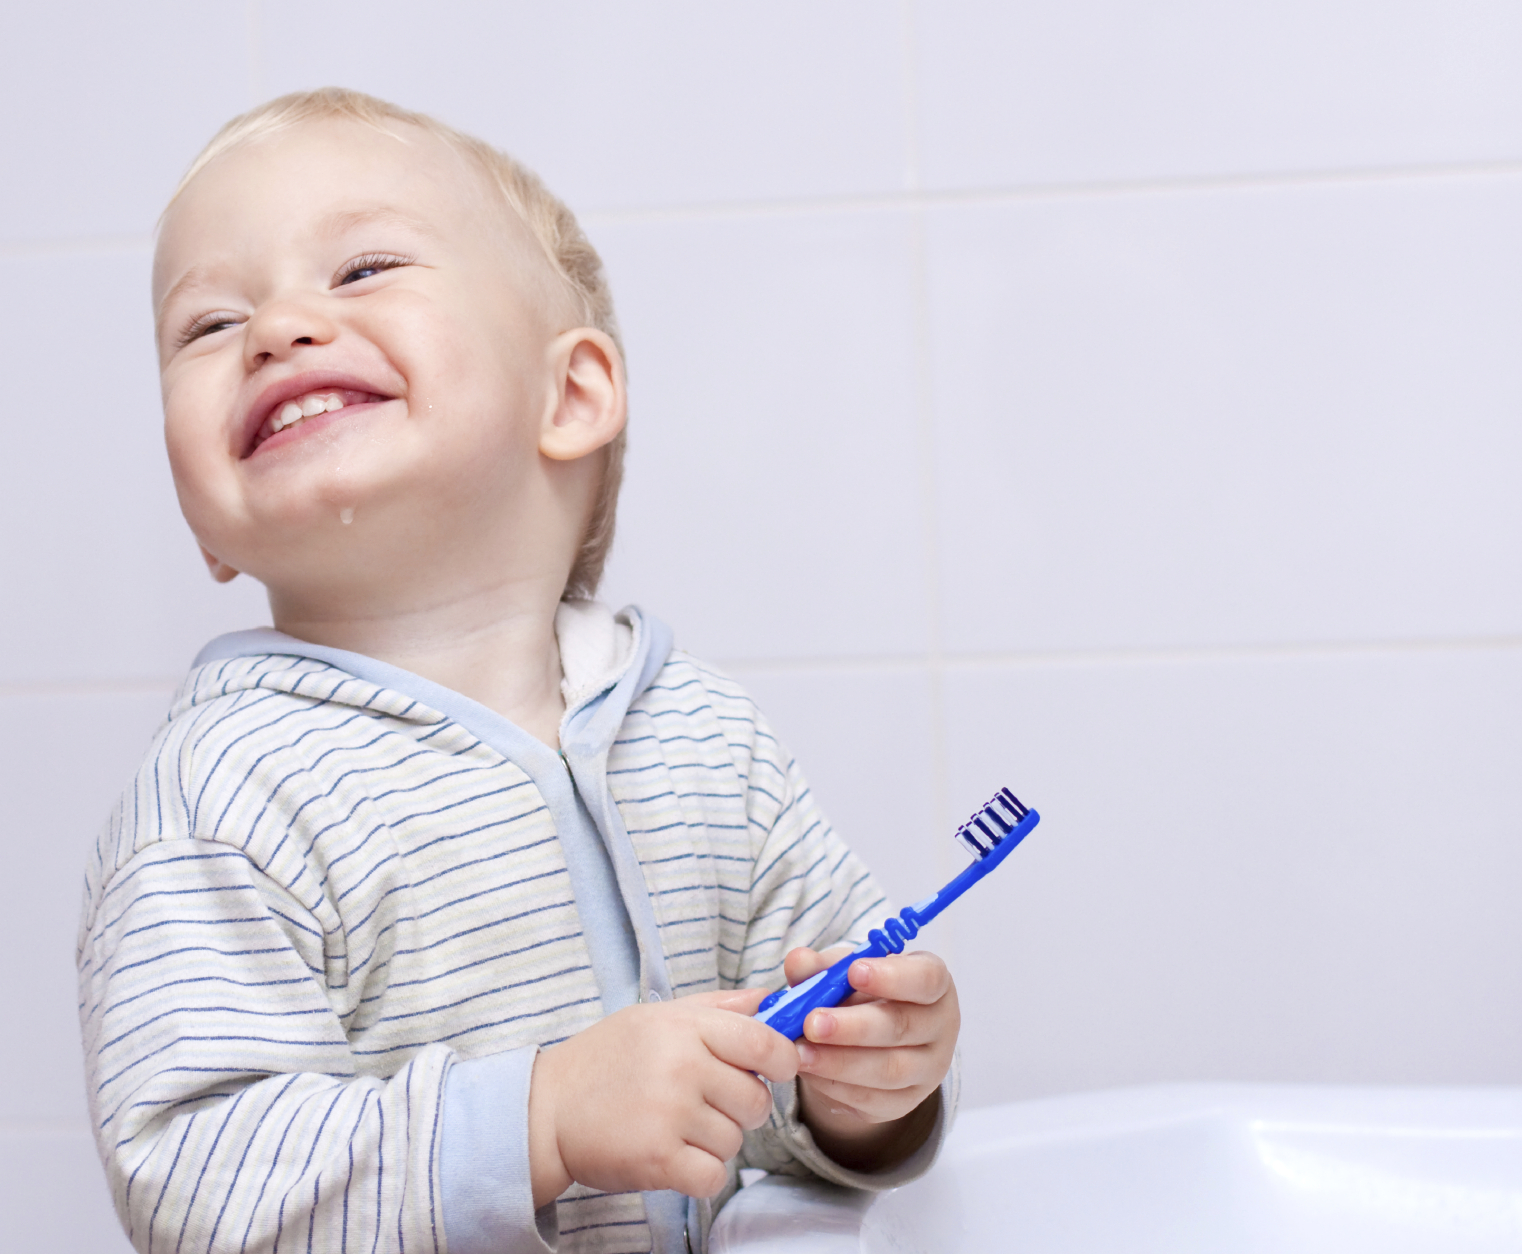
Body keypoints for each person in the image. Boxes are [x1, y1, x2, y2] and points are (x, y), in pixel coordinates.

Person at [77, 88, 959, 1254]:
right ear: (207, 524)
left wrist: (864, 1096)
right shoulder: (220, 798)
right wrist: (540, 1119)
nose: (278, 326)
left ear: (570, 393)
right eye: (207, 326)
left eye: (362, 268)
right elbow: (198, 1183)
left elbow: (793, 1097)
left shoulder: (703, 737)